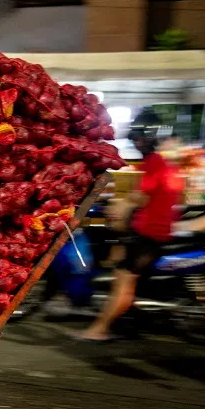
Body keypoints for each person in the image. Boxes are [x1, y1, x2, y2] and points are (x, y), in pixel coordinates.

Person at [75, 112, 184, 341]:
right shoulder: (164, 164)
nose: (137, 142)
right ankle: (126, 322)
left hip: (148, 235)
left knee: (124, 282)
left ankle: (100, 329)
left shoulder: (155, 162)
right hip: (153, 231)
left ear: (151, 138)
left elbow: (139, 196)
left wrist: (120, 206)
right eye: (135, 138)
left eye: (140, 138)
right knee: (119, 267)